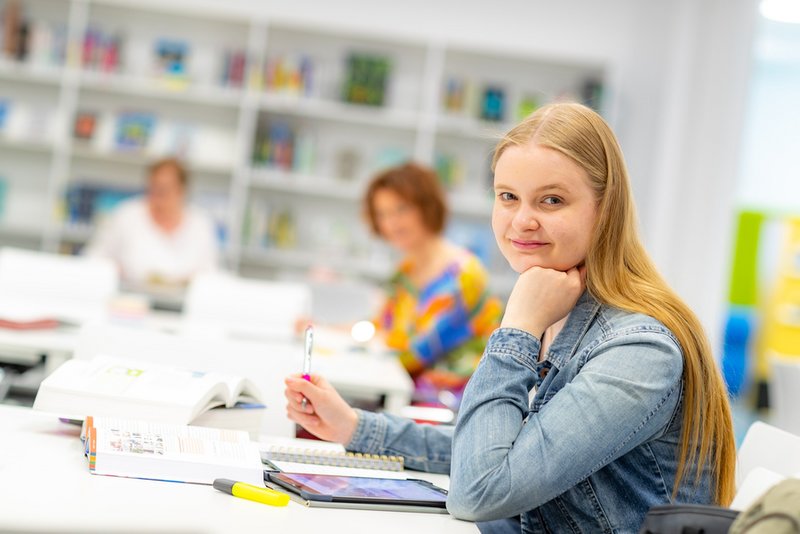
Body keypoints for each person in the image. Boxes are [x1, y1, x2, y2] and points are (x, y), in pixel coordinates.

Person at [284, 102, 736, 532]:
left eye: (552, 200)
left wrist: (518, 327)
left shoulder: (638, 350)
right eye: (508, 196)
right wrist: (354, 427)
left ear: (606, 209)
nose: (521, 221)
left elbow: (480, 489)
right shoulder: (557, 308)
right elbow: (493, 454)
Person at [362, 162, 502, 404]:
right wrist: (324, 330)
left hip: (448, 398)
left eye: (401, 209)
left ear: (427, 207)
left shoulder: (463, 275)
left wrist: (359, 352)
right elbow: (381, 327)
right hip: (401, 386)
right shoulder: (404, 272)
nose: (391, 224)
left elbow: (417, 352)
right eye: (382, 214)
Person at [85, 157, 219, 286]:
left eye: (166, 188)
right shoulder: (126, 215)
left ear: (181, 190)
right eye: (154, 186)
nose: (158, 193)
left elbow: (210, 272)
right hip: (129, 299)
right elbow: (95, 258)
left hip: (184, 303)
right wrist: (115, 272)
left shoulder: (201, 223)